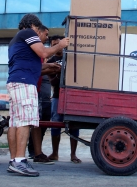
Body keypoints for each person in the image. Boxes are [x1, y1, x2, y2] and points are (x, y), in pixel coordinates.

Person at [6, 14, 69, 177]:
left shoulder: (16, 40)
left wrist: (50, 66)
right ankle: (20, 161)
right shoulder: (28, 33)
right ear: (34, 25)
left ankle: (14, 161)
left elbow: (33, 64)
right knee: (25, 121)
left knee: (14, 122)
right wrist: (60, 45)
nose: (43, 37)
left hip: (15, 81)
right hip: (25, 83)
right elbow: (43, 52)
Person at [27, 25, 60, 164]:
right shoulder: (39, 50)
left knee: (40, 120)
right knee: (33, 122)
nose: (47, 38)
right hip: (33, 88)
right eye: (46, 35)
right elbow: (37, 69)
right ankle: (33, 152)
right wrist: (52, 67)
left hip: (42, 90)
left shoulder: (41, 51)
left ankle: (37, 152)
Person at [47, 35, 82, 164]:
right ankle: (55, 153)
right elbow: (53, 82)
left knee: (74, 123)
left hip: (73, 95)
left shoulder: (71, 57)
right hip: (57, 96)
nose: (57, 46)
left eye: (58, 43)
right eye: (54, 44)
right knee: (55, 122)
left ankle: (73, 154)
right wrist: (61, 72)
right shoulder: (50, 61)